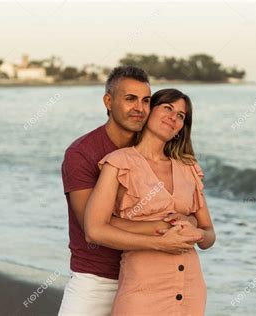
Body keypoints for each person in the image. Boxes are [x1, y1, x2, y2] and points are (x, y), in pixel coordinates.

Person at [58, 67, 202, 316]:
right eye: (130, 99)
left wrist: (188, 220)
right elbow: (92, 227)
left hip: (150, 279)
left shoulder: (155, 149)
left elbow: (182, 206)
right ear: (108, 101)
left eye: (146, 100)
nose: (139, 108)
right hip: (98, 279)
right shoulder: (82, 154)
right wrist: (166, 229)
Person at [84, 88, 216, 315]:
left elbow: (209, 235)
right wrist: (160, 243)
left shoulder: (189, 168)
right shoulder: (119, 163)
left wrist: (194, 228)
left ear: (181, 129)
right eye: (167, 108)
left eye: (181, 116)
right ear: (149, 112)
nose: (173, 117)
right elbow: (94, 230)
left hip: (190, 289)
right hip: (141, 290)